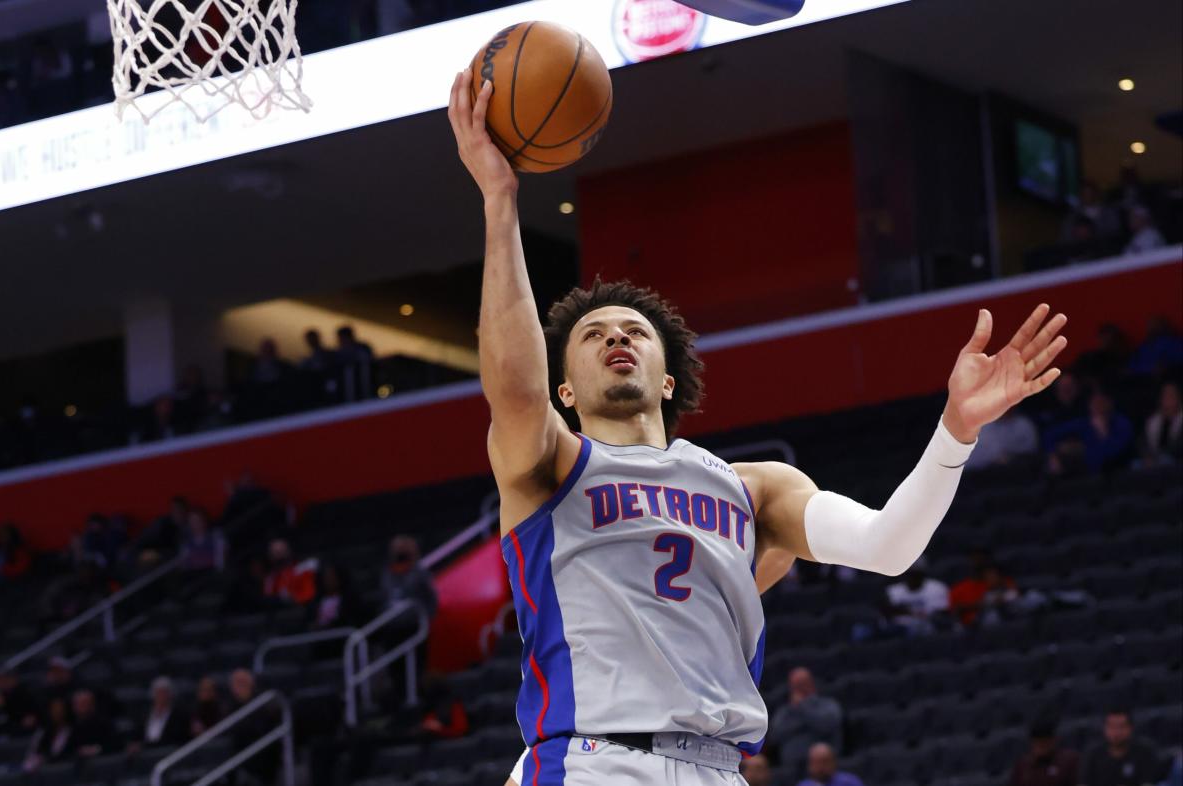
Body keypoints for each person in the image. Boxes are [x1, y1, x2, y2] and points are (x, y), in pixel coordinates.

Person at [449, 67, 1069, 786]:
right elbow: (513, 387)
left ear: (668, 375)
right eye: (592, 336)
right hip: (591, 762)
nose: (616, 336)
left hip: (720, 769)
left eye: (634, 331)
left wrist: (955, 430)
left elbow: (888, 546)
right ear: (564, 387)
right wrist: (501, 199)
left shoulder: (754, 491)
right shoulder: (551, 463)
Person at [379, 535, 438, 700]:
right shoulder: (387, 573)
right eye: (398, 550)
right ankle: (399, 698)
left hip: (413, 628)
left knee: (415, 668)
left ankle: (416, 699)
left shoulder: (420, 573)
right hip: (393, 628)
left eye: (404, 550)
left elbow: (431, 599)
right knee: (395, 669)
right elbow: (384, 597)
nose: (400, 554)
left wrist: (426, 618)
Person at [772, 668, 844, 780]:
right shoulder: (784, 712)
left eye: (802, 684)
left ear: (812, 684)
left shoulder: (827, 705)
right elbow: (775, 734)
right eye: (796, 685)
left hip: (823, 770)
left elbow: (827, 724)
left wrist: (802, 707)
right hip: (791, 769)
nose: (800, 688)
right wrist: (806, 721)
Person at [1046, 389, 1135, 474]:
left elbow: (1110, 455)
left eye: (1101, 402)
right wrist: (1052, 454)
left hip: (1117, 473)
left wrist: (1101, 433)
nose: (1098, 406)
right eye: (1094, 402)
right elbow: (1049, 435)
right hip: (1083, 476)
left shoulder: (1121, 423)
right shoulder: (1083, 423)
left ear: (1109, 403)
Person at [1080, 709, 1165, 786]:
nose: (1116, 732)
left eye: (1121, 726)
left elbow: (1148, 783)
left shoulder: (1144, 751)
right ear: (1104, 728)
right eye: (1112, 727)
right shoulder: (1093, 753)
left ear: (1130, 728)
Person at [950, 551, 1019, 627]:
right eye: (974, 558)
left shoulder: (1002, 582)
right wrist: (979, 605)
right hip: (972, 628)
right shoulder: (959, 589)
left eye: (981, 558)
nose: (977, 562)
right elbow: (955, 611)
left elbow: (1013, 595)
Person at [884, 559, 951, 636]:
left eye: (915, 574)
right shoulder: (893, 591)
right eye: (909, 574)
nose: (912, 578)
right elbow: (888, 614)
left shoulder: (937, 588)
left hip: (930, 631)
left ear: (922, 574)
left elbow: (941, 615)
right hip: (899, 632)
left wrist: (907, 612)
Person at [1009, 716, 1080, 786]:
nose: (1041, 747)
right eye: (1038, 743)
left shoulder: (1069, 761)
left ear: (1054, 740)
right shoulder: (1023, 765)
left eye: (1045, 743)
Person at [966, 408, 1040, 471]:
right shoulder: (982, 427)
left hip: (1016, 474)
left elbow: (1031, 454)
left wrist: (1010, 458)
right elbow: (970, 462)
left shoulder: (1024, 425)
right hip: (985, 475)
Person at [129, 676, 190, 752]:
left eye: (164, 692)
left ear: (170, 695)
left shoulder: (179, 715)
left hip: (168, 753)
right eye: (158, 692)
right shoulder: (144, 715)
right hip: (145, 755)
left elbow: (176, 739)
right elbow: (136, 736)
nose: (161, 696)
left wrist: (145, 746)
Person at [23, 697, 73, 771]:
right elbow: (33, 752)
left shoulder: (71, 730)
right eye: (54, 709)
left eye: (60, 709)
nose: (57, 712)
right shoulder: (43, 732)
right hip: (43, 769)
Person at [262, 539, 317, 605]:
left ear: (288, 551)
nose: (279, 555)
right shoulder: (271, 578)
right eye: (275, 552)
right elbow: (268, 599)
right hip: (282, 611)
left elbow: (309, 595)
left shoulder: (303, 568)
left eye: (281, 551)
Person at [1142, 381, 1183, 465]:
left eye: (1171, 396)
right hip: (1153, 460)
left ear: (1179, 399)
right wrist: (1147, 456)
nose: (1167, 400)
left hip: (1177, 463)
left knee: (1166, 461)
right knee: (1135, 465)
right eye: (1165, 396)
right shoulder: (1152, 421)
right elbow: (1143, 444)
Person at [0, 522, 32, 591]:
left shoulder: (19, 552)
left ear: (11, 535)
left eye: (4, 534)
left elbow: (19, 569)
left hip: (1, 583)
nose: (0, 536)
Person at [71, 688, 118, 758]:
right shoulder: (70, 727)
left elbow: (115, 744)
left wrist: (97, 749)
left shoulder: (104, 724)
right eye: (77, 704)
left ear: (92, 705)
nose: (81, 707)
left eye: (84, 703)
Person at [335, 325, 375, 401]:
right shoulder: (338, 354)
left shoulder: (363, 349)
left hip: (366, 389)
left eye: (343, 338)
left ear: (350, 337)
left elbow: (370, 364)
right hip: (348, 394)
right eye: (340, 339)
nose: (341, 341)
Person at [797, 742, 864, 786]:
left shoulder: (849, 782)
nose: (820, 767)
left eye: (824, 762)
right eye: (816, 763)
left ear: (833, 762)